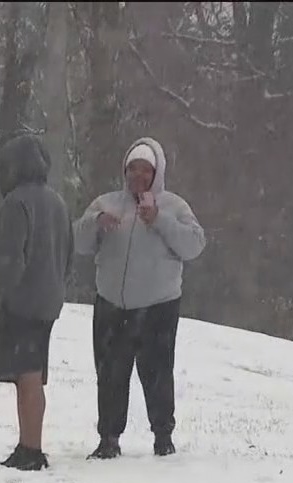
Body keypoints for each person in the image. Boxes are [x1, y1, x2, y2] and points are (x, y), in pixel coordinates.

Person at [73, 137, 206, 459]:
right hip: (111, 304)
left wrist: (158, 218)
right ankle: (108, 438)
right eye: (132, 169)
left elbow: (194, 245)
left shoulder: (174, 206)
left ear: (156, 173)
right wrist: (95, 224)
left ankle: (163, 436)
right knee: (110, 374)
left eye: (145, 170)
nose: (138, 176)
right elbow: (78, 242)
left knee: (157, 374)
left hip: (158, 306)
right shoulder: (106, 203)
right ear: (124, 171)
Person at [0, 134, 73, 471]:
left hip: (22, 301)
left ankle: (31, 449)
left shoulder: (16, 203)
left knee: (27, 375)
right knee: (32, 374)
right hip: (49, 298)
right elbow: (66, 255)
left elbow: (10, 259)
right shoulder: (58, 202)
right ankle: (29, 443)